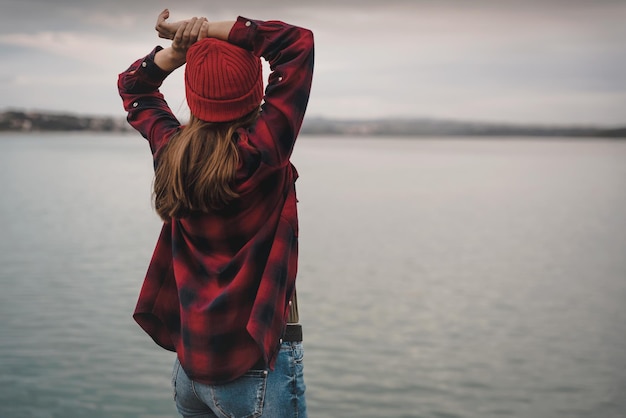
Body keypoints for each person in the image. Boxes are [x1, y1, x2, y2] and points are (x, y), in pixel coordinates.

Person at [118, 8, 314, 417]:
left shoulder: (172, 152)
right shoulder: (263, 152)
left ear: (193, 94)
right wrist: (207, 30)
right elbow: (296, 44)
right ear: (256, 90)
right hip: (258, 368)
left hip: (191, 372)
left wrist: (175, 52)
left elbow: (135, 87)